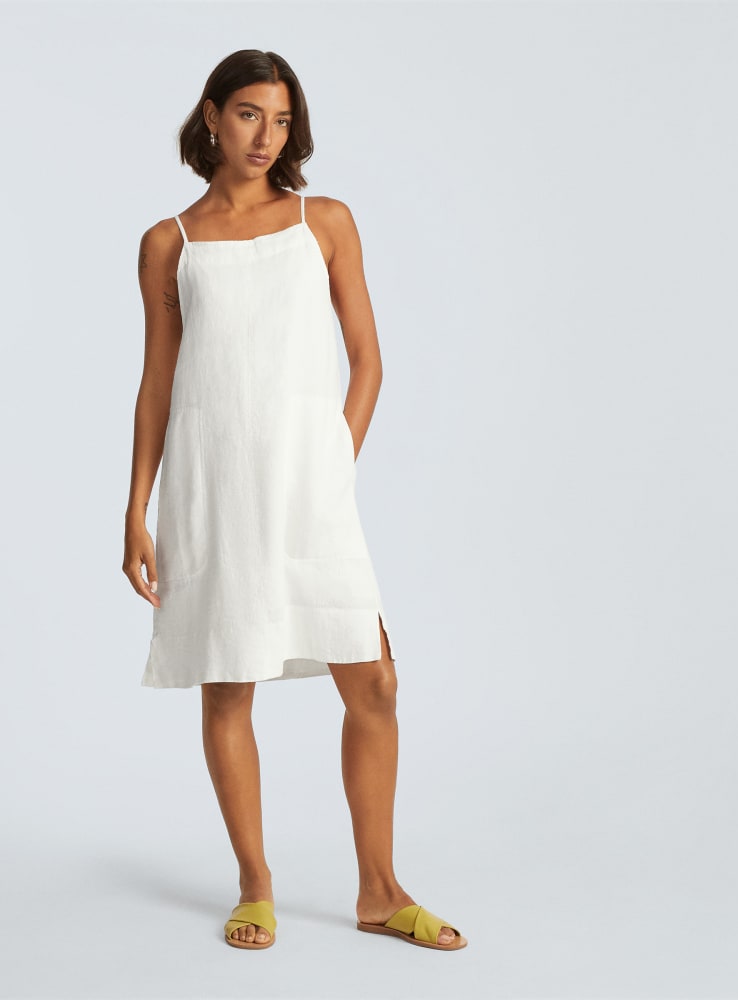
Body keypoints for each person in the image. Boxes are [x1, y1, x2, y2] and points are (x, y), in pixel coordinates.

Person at [123, 49, 467, 953]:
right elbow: (156, 385)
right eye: (248, 115)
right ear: (211, 116)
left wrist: (333, 463)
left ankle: (379, 891)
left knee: (375, 680)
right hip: (214, 483)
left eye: (280, 121)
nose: (265, 137)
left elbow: (368, 360)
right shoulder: (170, 241)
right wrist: (135, 510)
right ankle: (256, 885)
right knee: (228, 684)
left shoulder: (325, 221)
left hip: (310, 485)